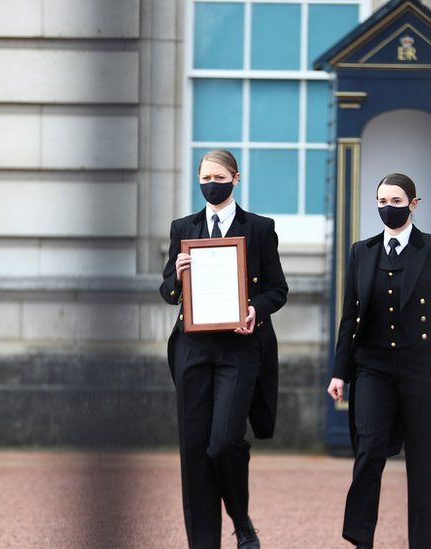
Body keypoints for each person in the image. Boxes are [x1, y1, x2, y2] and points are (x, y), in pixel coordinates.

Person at [160, 149, 288, 549]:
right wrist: (177, 278)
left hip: (240, 347)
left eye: (218, 176)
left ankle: (241, 518)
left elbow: (278, 290)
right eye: (204, 176)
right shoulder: (183, 227)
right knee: (195, 451)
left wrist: (254, 310)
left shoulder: (260, 228)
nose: (210, 183)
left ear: (236, 179)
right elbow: (166, 291)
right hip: (193, 349)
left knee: (225, 441)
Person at [327, 173, 431, 549]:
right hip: (372, 368)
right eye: (383, 202)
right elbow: (350, 316)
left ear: (414, 205)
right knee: (369, 451)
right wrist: (340, 372)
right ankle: (360, 540)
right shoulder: (362, 251)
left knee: (423, 460)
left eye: (397, 202)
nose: (389, 209)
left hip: (421, 369)